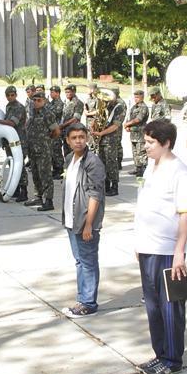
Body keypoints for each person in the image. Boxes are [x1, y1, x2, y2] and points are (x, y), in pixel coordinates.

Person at [134, 119, 187, 374]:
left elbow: (185, 214)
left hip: (168, 250)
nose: (145, 147)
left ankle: (172, 358)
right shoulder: (151, 167)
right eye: (145, 142)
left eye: (150, 142)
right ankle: (159, 353)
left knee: (170, 306)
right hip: (147, 246)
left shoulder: (179, 171)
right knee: (153, 306)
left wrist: (179, 251)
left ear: (166, 143)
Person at [61, 124, 106, 318]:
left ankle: (89, 303)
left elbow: (95, 195)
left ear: (86, 138)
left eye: (81, 136)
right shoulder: (70, 159)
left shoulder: (92, 162)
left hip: (84, 221)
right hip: (71, 220)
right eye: (74, 137)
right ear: (68, 140)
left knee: (88, 262)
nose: (78, 140)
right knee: (79, 261)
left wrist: (89, 223)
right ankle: (82, 299)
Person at [0, 85, 29, 202]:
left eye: (12, 95)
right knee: (12, 165)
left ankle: (24, 190)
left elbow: (12, 123)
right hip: (10, 142)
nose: (10, 97)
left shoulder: (18, 107)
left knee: (19, 166)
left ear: (16, 95)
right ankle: (15, 188)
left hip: (19, 141)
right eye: (8, 95)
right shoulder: (9, 106)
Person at [91, 88, 126, 196]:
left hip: (111, 140)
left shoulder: (119, 108)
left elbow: (115, 126)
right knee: (102, 163)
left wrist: (101, 133)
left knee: (111, 163)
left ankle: (114, 186)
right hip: (102, 140)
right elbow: (98, 118)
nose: (105, 101)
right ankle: (105, 185)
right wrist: (93, 126)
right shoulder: (104, 107)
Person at [23, 92, 56, 211]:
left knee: (45, 175)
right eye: (34, 100)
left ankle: (48, 201)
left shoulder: (48, 114)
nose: (36, 102)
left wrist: (46, 140)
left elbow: (56, 131)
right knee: (36, 174)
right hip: (32, 149)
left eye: (38, 100)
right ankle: (38, 196)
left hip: (43, 150)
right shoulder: (32, 112)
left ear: (44, 101)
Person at [125, 89, 150, 175]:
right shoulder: (134, 107)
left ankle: (144, 170)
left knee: (141, 153)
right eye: (135, 97)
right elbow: (130, 118)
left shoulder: (143, 107)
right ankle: (138, 169)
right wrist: (128, 126)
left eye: (137, 97)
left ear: (142, 97)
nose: (136, 99)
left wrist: (127, 124)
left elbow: (138, 119)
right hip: (133, 134)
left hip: (140, 134)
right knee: (135, 152)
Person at [47, 85, 66, 176]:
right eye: (50, 92)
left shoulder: (59, 103)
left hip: (57, 130)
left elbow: (55, 114)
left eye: (52, 92)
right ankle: (55, 169)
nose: (51, 94)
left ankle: (60, 169)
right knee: (52, 150)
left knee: (57, 150)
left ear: (58, 93)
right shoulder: (51, 103)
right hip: (51, 130)